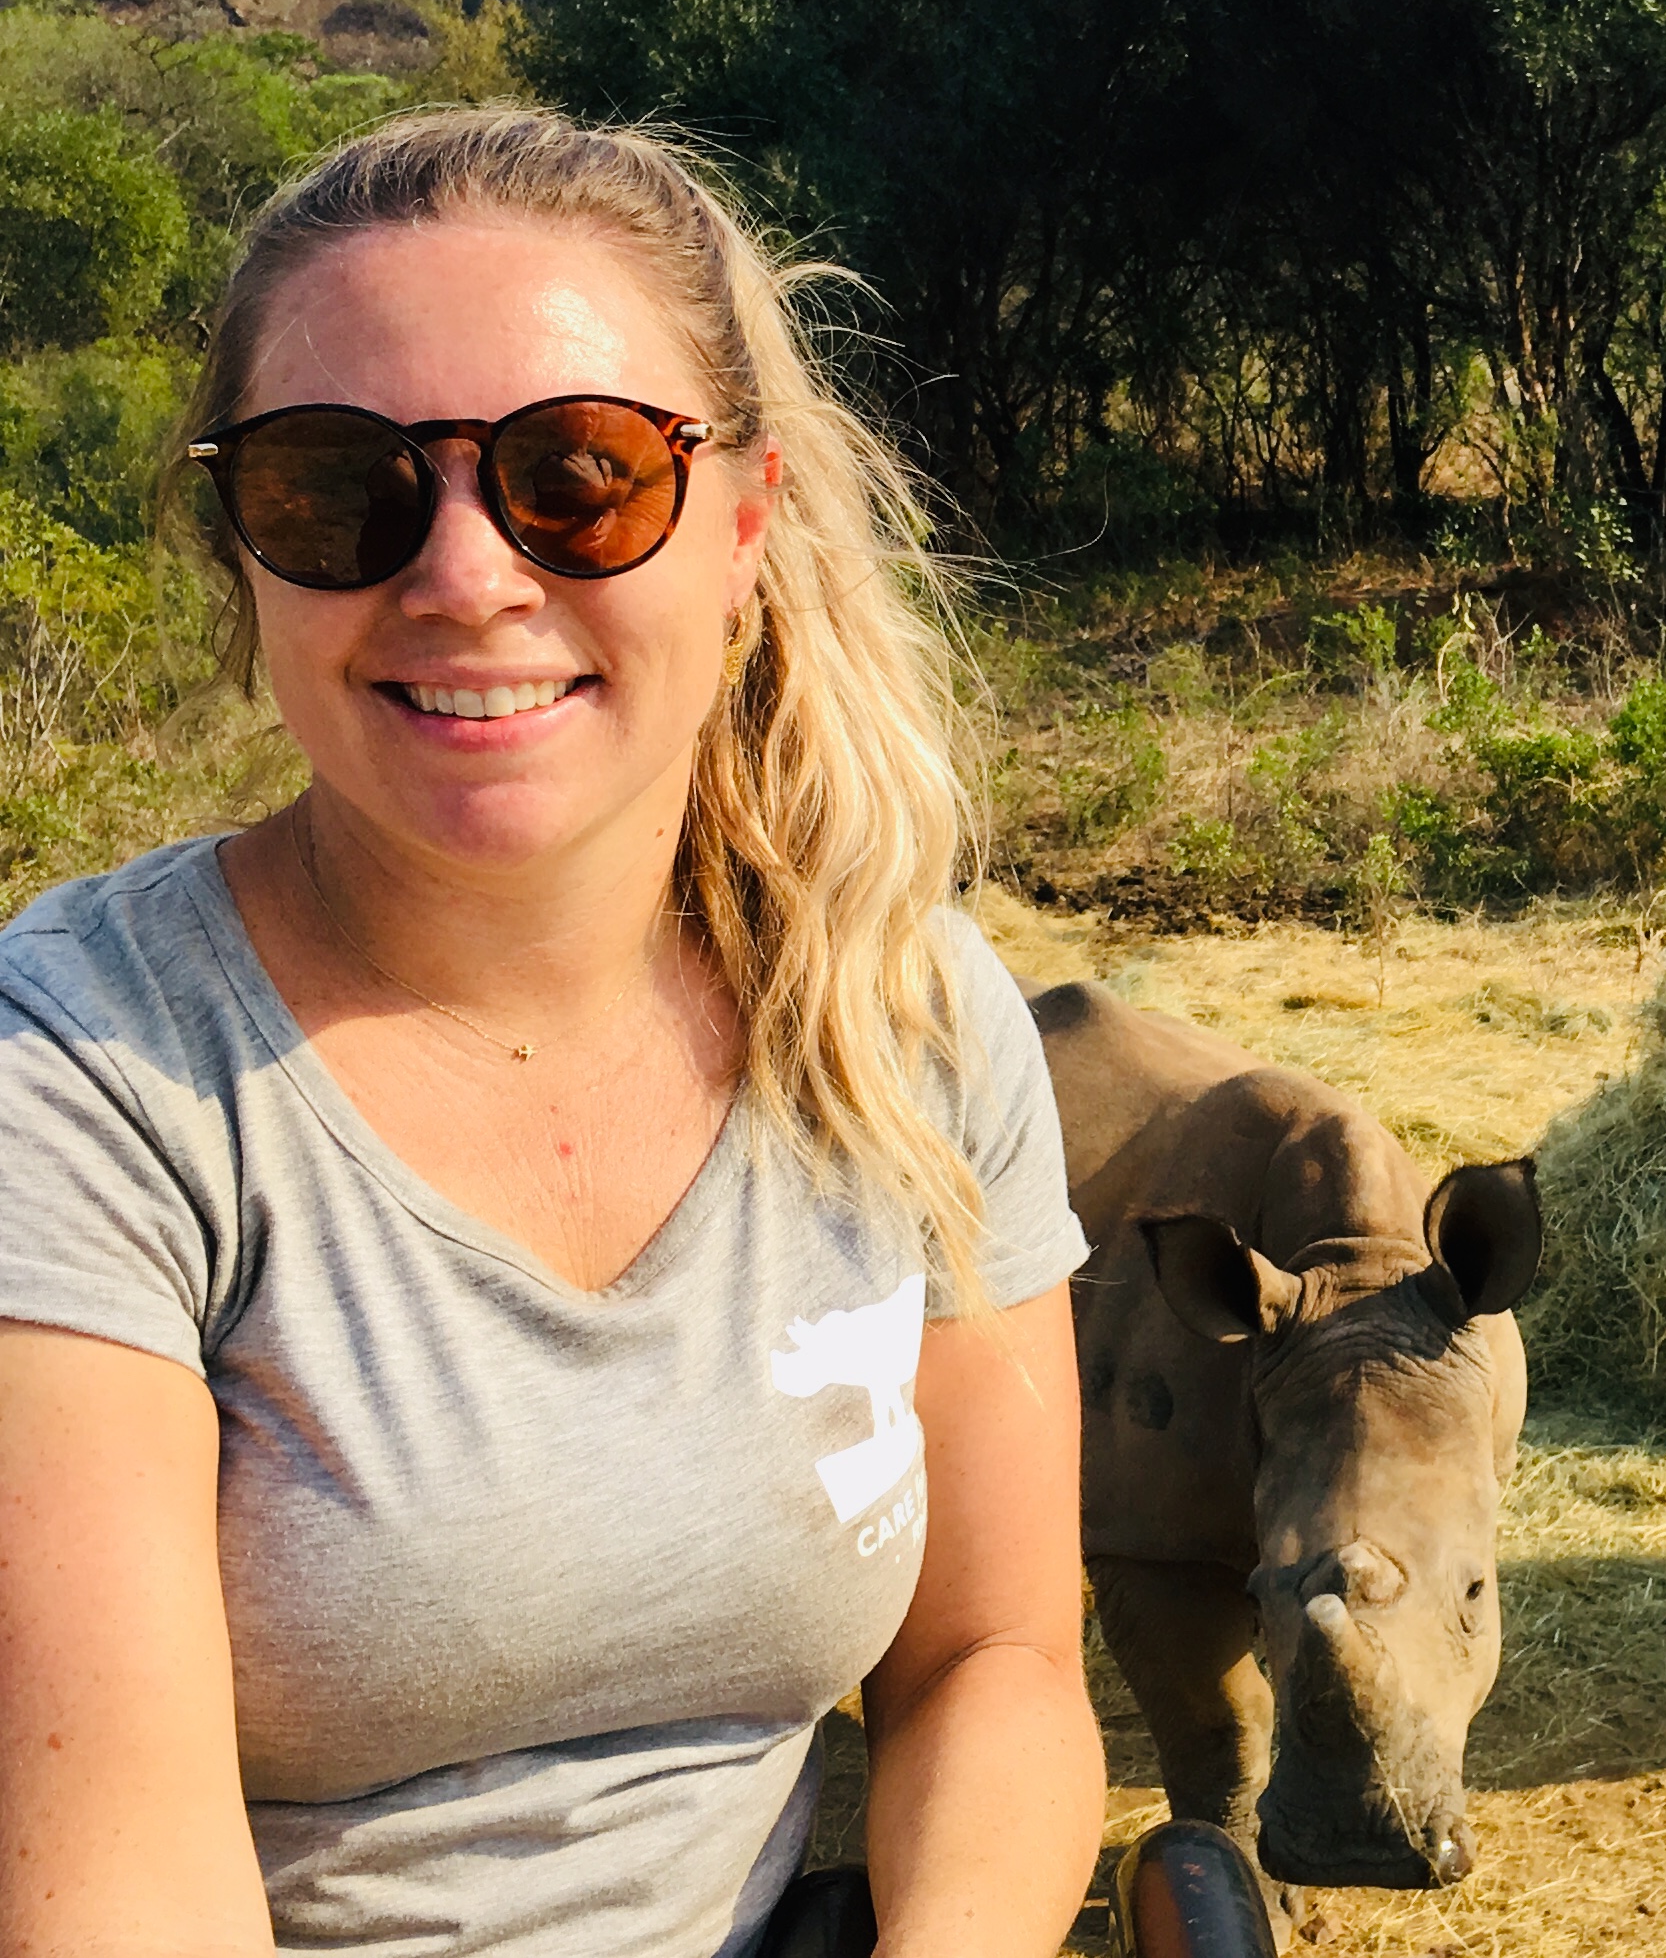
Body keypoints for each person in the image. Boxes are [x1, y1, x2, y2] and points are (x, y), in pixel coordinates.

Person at [0, 111, 1109, 1957]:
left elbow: (994, 1655)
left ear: (744, 524)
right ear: (242, 548)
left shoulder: (900, 1011)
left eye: (579, 477)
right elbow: (120, 1903)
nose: (461, 575)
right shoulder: (85, 1081)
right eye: (334, 486)